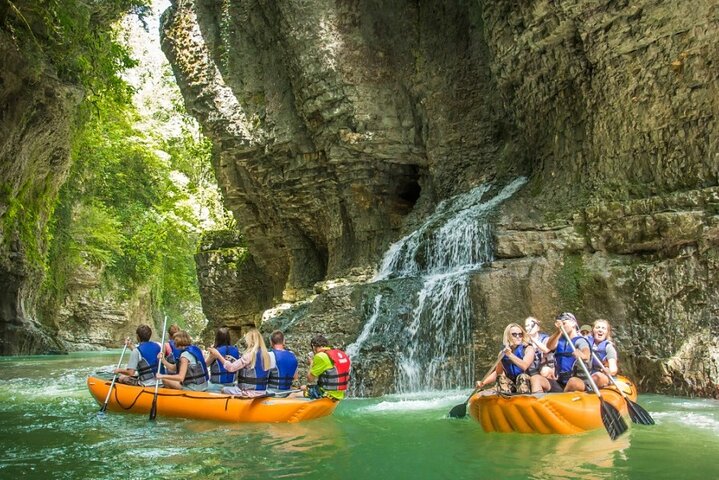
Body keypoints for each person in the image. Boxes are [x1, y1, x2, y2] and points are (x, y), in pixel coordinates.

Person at [207, 328, 271, 397]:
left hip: (247, 392)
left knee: (223, 389)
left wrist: (218, 355)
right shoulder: (266, 355)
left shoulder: (249, 355)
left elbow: (231, 368)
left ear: (251, 342)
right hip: (262, 392)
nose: (246, 342)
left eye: (247, 340)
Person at [476, 323, 534, 395]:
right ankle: (506, 398)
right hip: (511, 383)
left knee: (522, 377)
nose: (518, 336)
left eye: (520, 334)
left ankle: (523, 399)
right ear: (508, 336)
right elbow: (498, 373)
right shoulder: (502, 353)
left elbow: (524, 366)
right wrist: (483, 382)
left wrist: (510, 355)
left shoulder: (528, 349)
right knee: (501, 377)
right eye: (514, 334)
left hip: (527, 383)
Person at [545, 312, 592, 392]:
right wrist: (559, 331)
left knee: (572, 382)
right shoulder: (559, 340)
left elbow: (586, 354)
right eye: (560, 325)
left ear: (573, 323)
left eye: (564, 323)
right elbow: (549, 346)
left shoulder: (580, 340)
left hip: (579, 382)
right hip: (560, 381)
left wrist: (583, 355)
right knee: (537, 379)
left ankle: (562, 399)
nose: (562, 326)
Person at [300, 335, 350, 400]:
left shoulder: (320, 356)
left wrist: (311, 363)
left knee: (293, 395)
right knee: (304, 387)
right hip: (339, 395)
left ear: (313, 346)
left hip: (326, 394)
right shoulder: (339, 354)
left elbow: (310, 379)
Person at [524, 316, 555, 393]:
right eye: (527, 325)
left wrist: (532, 339)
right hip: (532, 374)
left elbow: (546, 349)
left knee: (544, 371)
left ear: (538, 328)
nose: (529, 327)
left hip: (547, 375)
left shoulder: (546, 339)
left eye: (532, 325)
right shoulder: (523, 343)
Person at [588, 319, 619, 388]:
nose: (600, 330)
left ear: (607, 332)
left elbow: (613, 368)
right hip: (587, 374)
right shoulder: (585, 343)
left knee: (597, 376)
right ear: (593, 330)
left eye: (603, 328)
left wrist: (609, 371)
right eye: (597, 327)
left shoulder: (608, 347)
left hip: (602, 375)